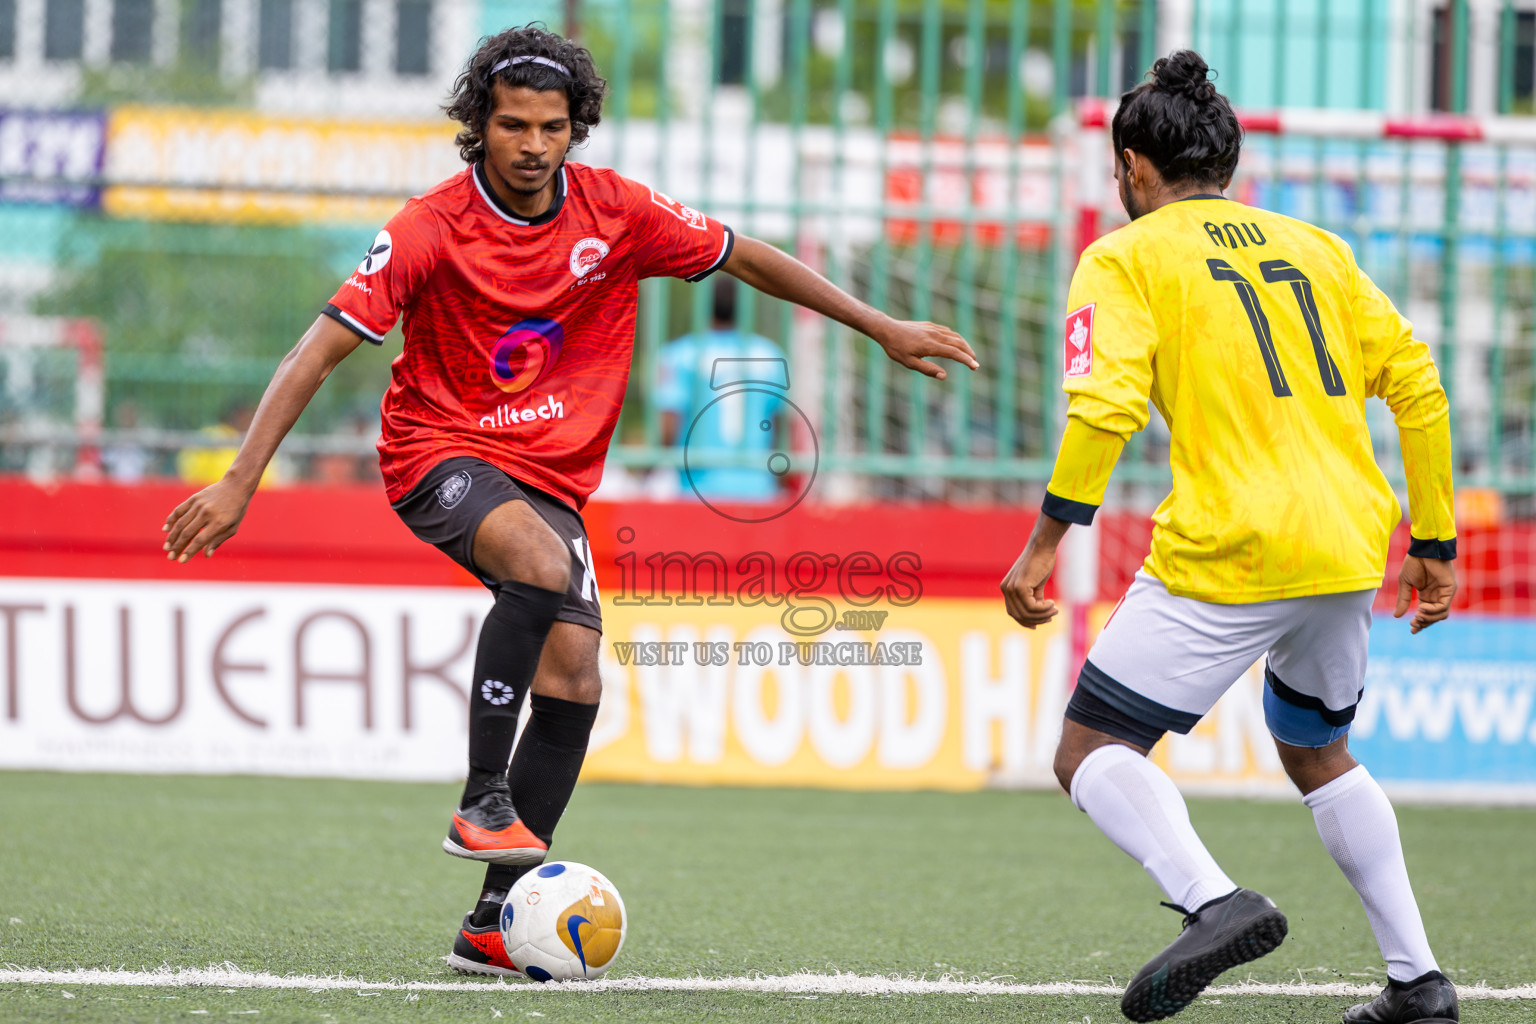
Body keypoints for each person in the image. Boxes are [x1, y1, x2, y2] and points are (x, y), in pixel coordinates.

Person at [161, 25, 976, 977]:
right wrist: (241, 478)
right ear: (479, 124)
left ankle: (490, 923)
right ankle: (482, 798)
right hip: (436, 452)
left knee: (579, 675)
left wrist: (878, 326)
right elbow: (320, 348)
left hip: (548, 479)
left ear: (575, 127)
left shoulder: (616, 211)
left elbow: (746, 257)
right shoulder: (428, 227)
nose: (533, 145)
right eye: (513, 125)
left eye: (552, 127)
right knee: (541, 566)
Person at [999, 51, 1458, 1024]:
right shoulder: (1318, 248)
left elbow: (1104, 409)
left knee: (1090, 748)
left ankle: (1214, 901)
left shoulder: (1125, 257)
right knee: (1319, 753)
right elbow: (1418, 382)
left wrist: (1046, 542)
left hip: (1231, 548)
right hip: (1347, 546)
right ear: (1227, 161)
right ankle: (1418, 981)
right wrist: (1438, 540)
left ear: (1133, 165)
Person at [656, 277, 786, 502]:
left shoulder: (681, 353)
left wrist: (651, 469)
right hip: (759, 489)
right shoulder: (770, 354)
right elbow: (779, 427)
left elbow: (669, 425)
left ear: (703, 305)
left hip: (696, 489)